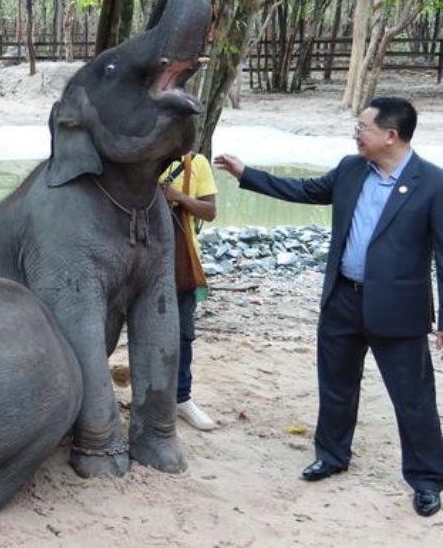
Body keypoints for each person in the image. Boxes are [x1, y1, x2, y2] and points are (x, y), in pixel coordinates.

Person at [214, 96, 443, 518]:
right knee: (336, 386)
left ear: (391, 136)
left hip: (398, 310)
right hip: (342, 299)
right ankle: (333, 455)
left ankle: (427, 478)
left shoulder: (433, 183)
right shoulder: (351, 169)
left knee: (413, 398)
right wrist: (247, 173)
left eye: (363, 127)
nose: (355, 133)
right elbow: (302, 190)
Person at [160, 152, 218, 431]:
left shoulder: (197, 163)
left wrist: (178, 197)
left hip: (181, 261)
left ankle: (182, 398)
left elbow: (209, 211)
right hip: (137, 261)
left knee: (183, 333)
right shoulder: (141, 156)